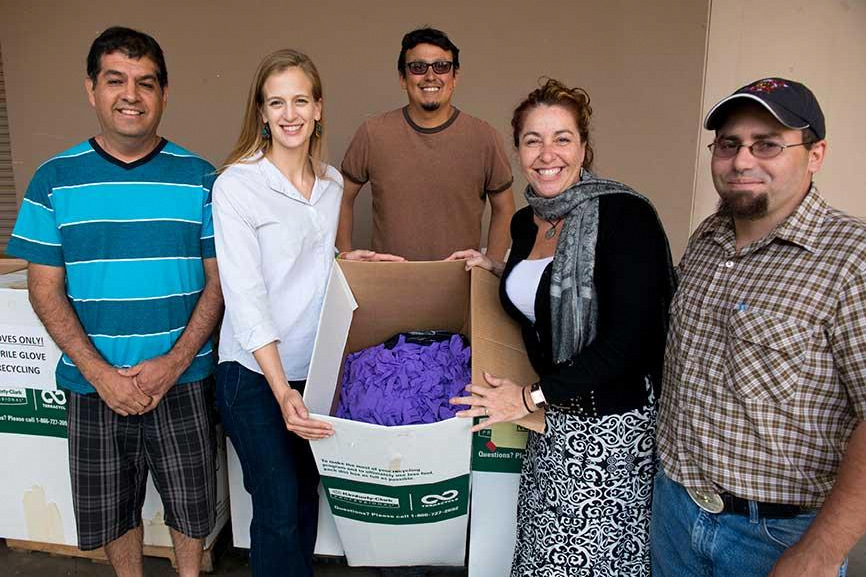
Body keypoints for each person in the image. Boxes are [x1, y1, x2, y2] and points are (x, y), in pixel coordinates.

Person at [6, 27, 222, 577]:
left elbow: (221, 282)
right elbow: (43, 288)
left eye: (146, 82)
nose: (132, 94)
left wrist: (173, 364)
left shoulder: (201, 179)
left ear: (164, 93)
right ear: (92, 90)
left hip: (183, 378)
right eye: (116, 80)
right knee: (111, 512)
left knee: (192, 504)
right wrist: (100, 373)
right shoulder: (53, 181)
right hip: (92, 383)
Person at [448, 78, 675, 576]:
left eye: (562, 138)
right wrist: (495, 274)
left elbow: (628, 342)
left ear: (584, 148)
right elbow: (539, 303)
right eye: (532, 140)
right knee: (539, 558)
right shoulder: (527, 223)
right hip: (550, 426)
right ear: (518, 150)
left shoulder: (624, 215)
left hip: (611, 433)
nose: (546, 153)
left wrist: (528, 398)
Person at [652, 77, 866, 577]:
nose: (742, 161)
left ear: (815, 154)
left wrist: (820, 553)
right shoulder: (709, 236)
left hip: (772, 536)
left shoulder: (851, 259)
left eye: (767, 144)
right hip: (674, 517)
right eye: (729, 144)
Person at [211, 49, 400, 577]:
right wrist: (282, 391)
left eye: (300, 100)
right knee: (275, 510)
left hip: (313, 369)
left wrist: (346, 261)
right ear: (262, 112)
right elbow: (246, 298)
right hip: (253, 376)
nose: (289, 113)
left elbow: (311, 266)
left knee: (304, 501)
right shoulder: (236, 187)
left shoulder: (332, 184)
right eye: (277, 103)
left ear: (319, 108)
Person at [337, 27, 516, 262]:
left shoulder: (484, 137)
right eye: (418, 67)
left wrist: (491, 267)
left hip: (461, 286)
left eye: (441, 66)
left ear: (455, 77)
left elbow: (505, 208)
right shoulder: (373, 133)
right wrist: (344, 259)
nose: (430, 76)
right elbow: (340, 198)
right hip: (388, 285)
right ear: (403, 78)